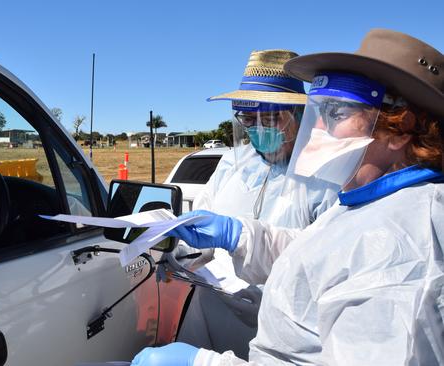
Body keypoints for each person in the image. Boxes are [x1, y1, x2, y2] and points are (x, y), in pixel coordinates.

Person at [133, 28, 444, 365]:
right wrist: (240, 236)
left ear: (400, 129)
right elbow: (319, 257)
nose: (319, 131)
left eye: (336, 115)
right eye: (320, 114)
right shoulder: (371, 201)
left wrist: (207, 364)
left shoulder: (400, 244)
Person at [174, 50, 338, 358]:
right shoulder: (233, 165)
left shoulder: (326, 177)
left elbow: (325, 263)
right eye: (248, 119)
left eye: (271, 119)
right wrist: (176, 250)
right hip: (214, 309)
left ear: (300, 115)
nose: (258, 129)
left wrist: (240, 237)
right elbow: (202, 231)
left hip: (286, 330)